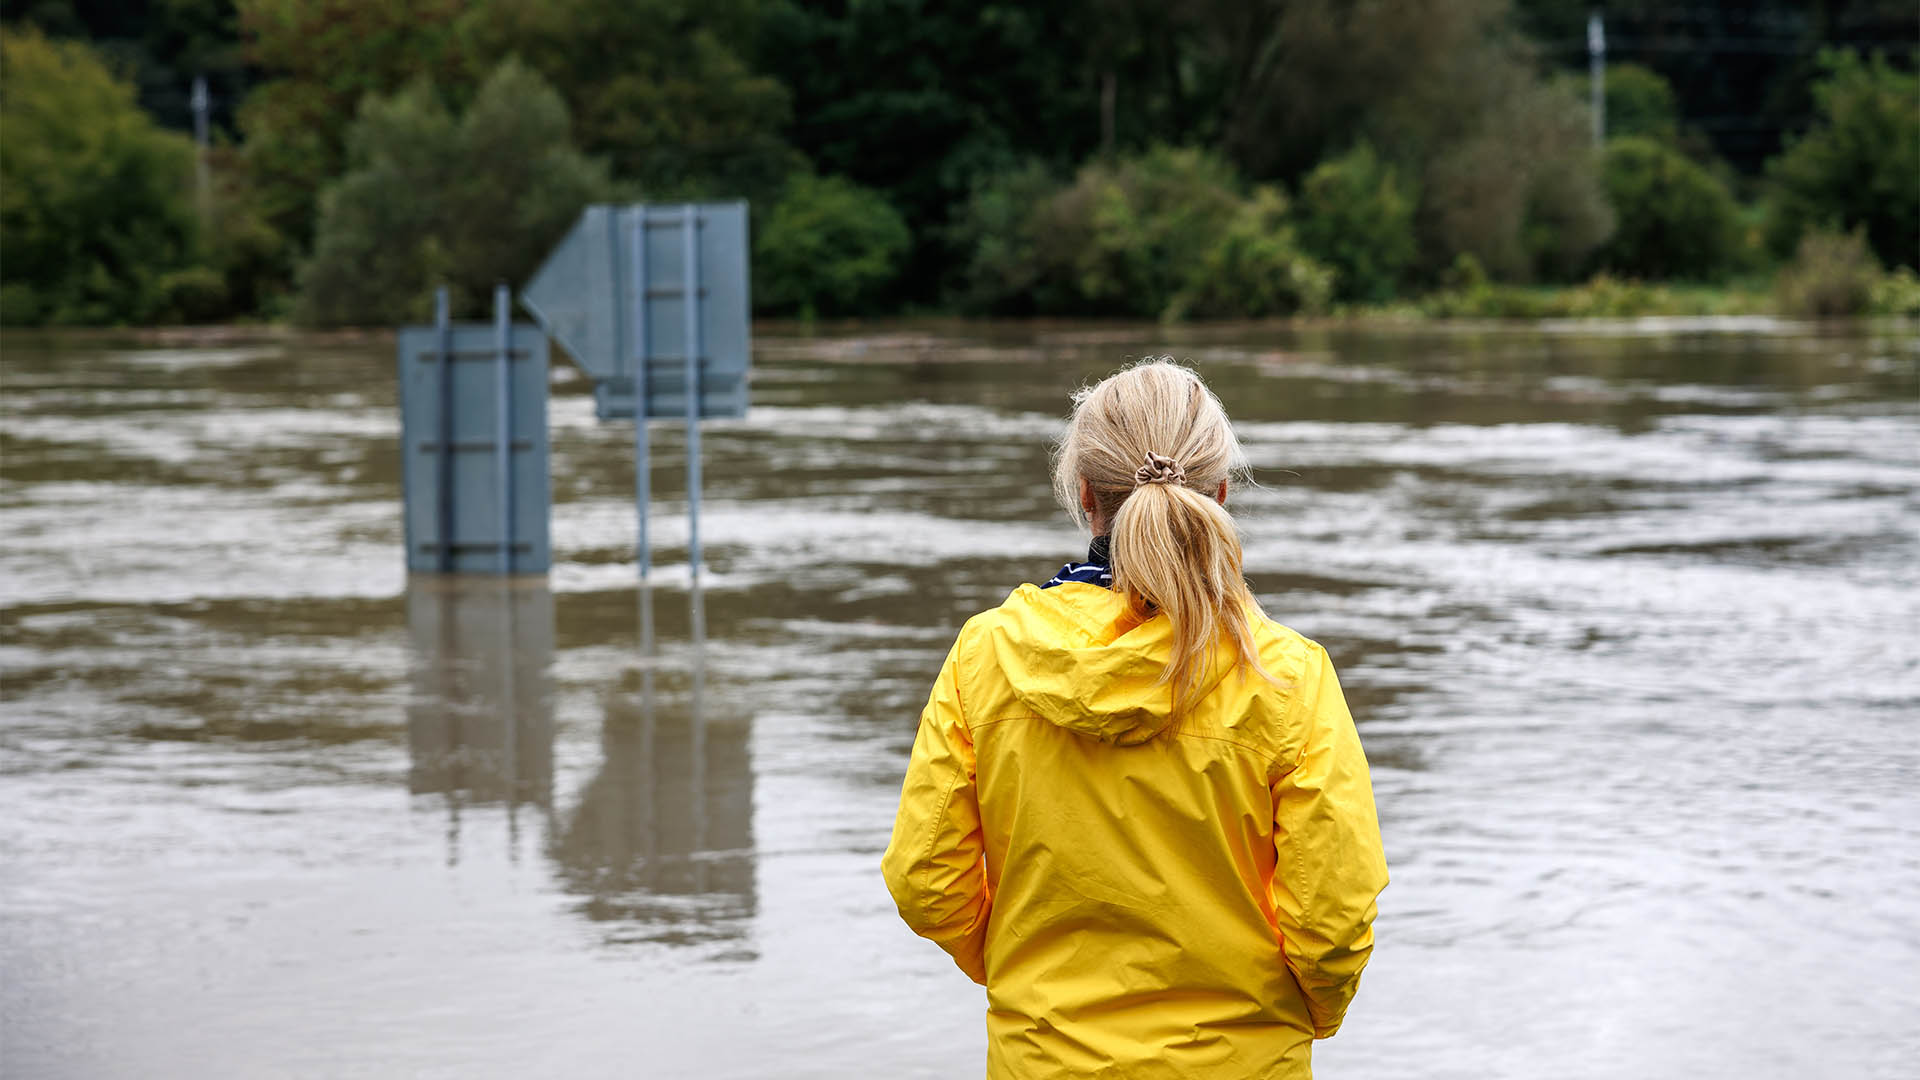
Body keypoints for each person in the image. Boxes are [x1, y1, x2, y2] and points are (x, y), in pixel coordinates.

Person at [881, 359, 1388, 1079]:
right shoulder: (1286, 675)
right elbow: (1333, 916)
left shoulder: (985, 657)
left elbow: (926, 882)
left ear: (1084, 493)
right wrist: (1305, 1014)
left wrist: (1021, 972)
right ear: (1218, 494)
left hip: (1042, 1059)